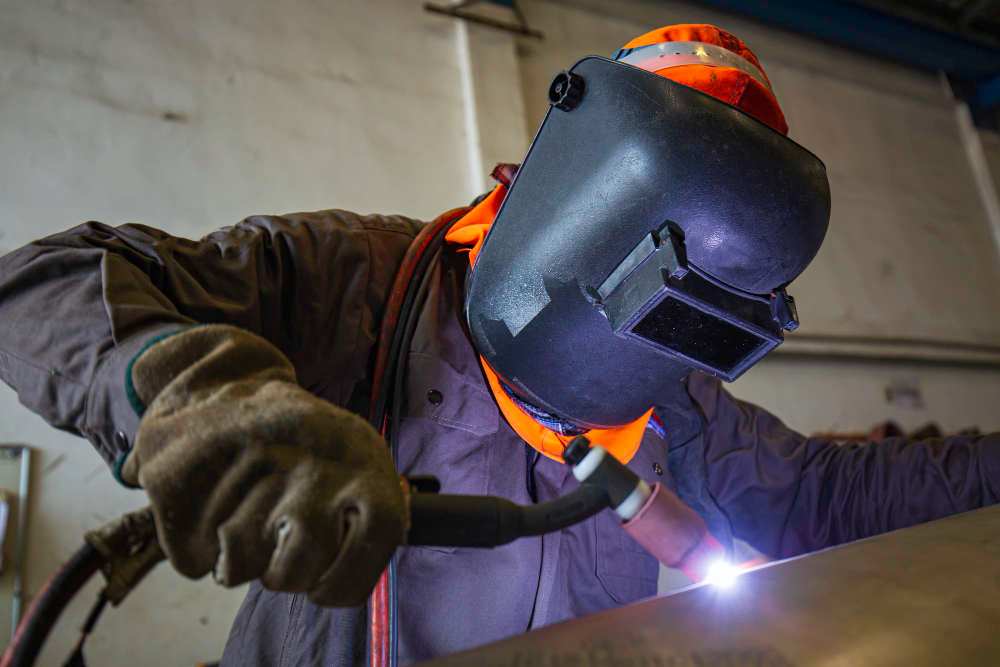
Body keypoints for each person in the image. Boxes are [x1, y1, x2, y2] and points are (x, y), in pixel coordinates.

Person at [1, 23, 998, 666]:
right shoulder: (362, 282)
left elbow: (824, 496)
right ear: (550, 182)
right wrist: (198, 403)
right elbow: (43, 281)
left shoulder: (673, 402)